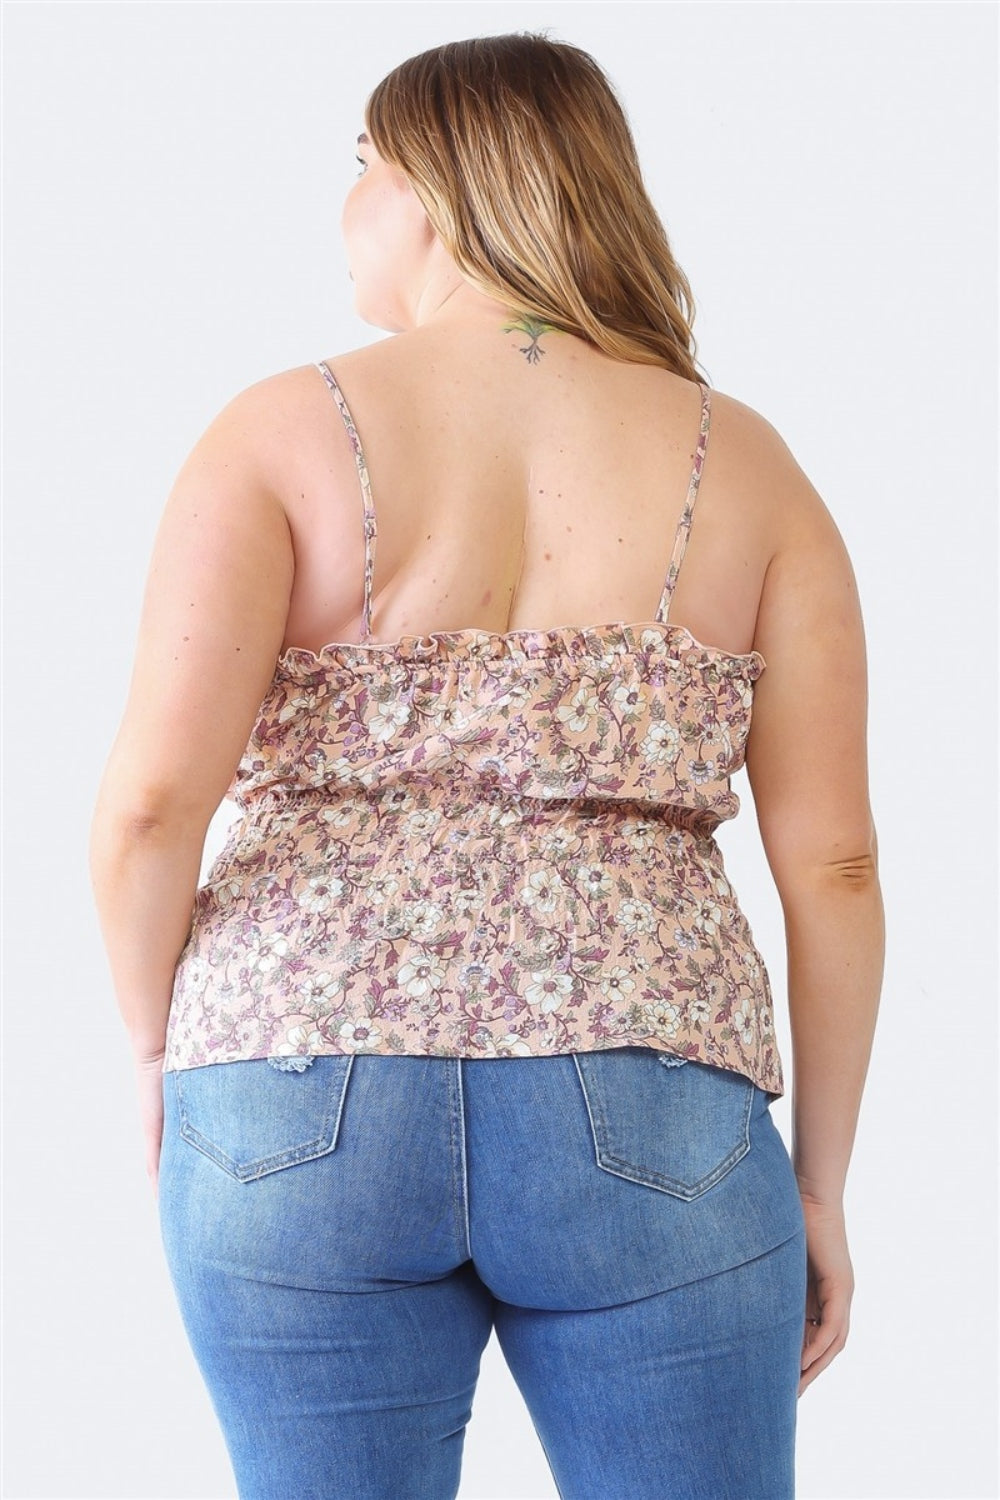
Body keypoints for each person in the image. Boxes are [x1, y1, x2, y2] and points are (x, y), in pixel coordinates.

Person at [88, 30, 885, 1500]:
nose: (347, 205)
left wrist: (158, 1049)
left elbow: (149, 808)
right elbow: (833, 864)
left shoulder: (275, 434)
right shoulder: (750, 464)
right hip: (652, 1097)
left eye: (363, 165)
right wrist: (822, 1184)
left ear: (439, 191)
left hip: (290, 1087)